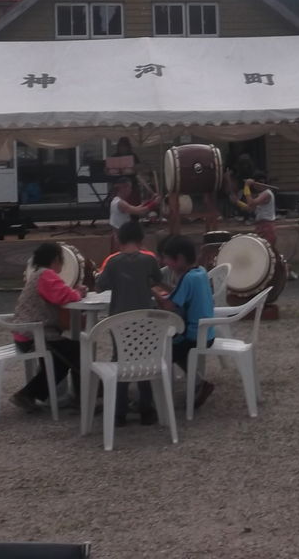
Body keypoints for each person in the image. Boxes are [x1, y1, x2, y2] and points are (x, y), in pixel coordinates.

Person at [96, 221, 165, 427]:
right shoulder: (149, 260)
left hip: (120, 319)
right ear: (141, 240)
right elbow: (157, 278)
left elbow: (102, 285)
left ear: (119, 239)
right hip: (145, 318)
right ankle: (147, 409)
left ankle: (119, 412)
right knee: (144, 358)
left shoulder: (113, 262)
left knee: (120, 361)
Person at [10, 242, 85, 413]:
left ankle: (30, 394)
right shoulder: (47, 275)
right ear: (56, 259)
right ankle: (83, 398)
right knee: (75, 350)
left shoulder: (37, 274)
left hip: (26, 334)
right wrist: (80, 292)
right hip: (35, 335)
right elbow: (66, 296)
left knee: (64, 356)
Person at [156, 235, 216, 410]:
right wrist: (160, 284)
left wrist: (152, 290)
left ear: (179, 259)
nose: (165, 262)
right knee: (175, 349)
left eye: (167, 258)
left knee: (161, 351)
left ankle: (154, 399)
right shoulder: (200, 272)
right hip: (207, 333)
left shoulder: (187, 278)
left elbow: (168, 306)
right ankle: (198, 382)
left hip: (193, 336)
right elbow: (178, 293)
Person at [108, 177, 158, 248]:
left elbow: (136, 208)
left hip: (121, 236)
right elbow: (140, 211)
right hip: (121, 238)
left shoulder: (116, 201)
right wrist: (154, 203)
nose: (131, 190)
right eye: (130, 188)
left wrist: (150, 201)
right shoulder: (120, 203)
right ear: (123, 188)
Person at [239, 177, 278, 247]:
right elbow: (250, 208)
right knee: (265, 250)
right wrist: (237, 202)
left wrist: (246, 186)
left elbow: (251, 203)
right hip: (261, 225)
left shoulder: (267, 193)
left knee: (266, 250)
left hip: (267, 226)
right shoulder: (261, 195)